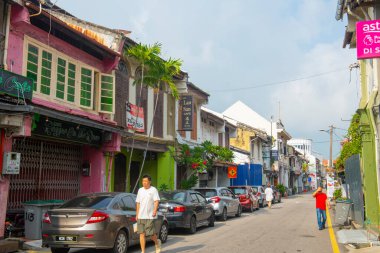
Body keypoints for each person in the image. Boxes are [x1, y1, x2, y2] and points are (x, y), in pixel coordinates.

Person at [136, 174, 161, 253]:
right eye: (143, 181)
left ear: (150, 182)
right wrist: (137, 214)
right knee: (142, 234)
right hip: (141, 216)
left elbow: (156, 201)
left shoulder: (153, 190)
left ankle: (157, 242)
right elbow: (138, 203)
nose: (144, 183)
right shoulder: (140, 190)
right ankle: (143, 251)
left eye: (146, 181)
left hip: (150, 216)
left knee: (150, 234)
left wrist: (154, 211)